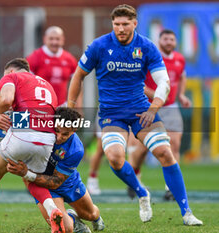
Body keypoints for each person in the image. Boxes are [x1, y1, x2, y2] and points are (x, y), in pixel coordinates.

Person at [67, 4, 202, 226]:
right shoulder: (99, 46)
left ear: (135, 24)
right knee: (115, 159)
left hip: (142, 111)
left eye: (125, 24)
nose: (120, 28)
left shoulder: (147, 47)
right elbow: (78, 76)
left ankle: (187, 213)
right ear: (113, 24)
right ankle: (141, 192)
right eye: (117, 24)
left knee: (165, 153)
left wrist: (153, 109)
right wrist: (71, 106)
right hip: (111, 114)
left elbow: (163, 82)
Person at [0, 58, 65, 233]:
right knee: (30, 177)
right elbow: (36, 113)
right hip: (47, 138)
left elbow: (7, 100)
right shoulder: (46, 85)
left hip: (24, 136)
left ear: (10, 72)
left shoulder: (12, 77)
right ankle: (53, 210)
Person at [7, 107, 105, 233]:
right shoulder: (41, 126)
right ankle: (73, 221)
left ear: (74, 130)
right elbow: (12, 121)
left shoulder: (76, 150)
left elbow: (56, 182)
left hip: (67, 183)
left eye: (65, 134)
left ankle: (95, 218)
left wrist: (26, 173)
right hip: (42, 185)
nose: (58, 137)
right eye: (57, 131)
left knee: (90, 214)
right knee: (66, 228)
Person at [127, 29, 192, 201]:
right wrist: (156, 96)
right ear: (159, 40)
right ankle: (134, 179)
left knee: (175, 144)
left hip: (171, 106)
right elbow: (137, 82)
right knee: (143, 148)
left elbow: (182, 77)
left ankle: (170, 188)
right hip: (150, 106)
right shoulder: (150, 56)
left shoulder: (179, 59)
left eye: (172, 39)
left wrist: (182, 95)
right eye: (166, 39)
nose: (169, 42)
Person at [26, 26, 77, 106]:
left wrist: (77, 106)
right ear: (45, 39)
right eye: (51, 39)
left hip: (62, 106)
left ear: (63, 40)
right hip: (41, 106)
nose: (54, 42)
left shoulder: (69, 59)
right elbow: (25, 84)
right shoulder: (34, 57)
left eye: (57, 39)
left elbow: (77, 84)